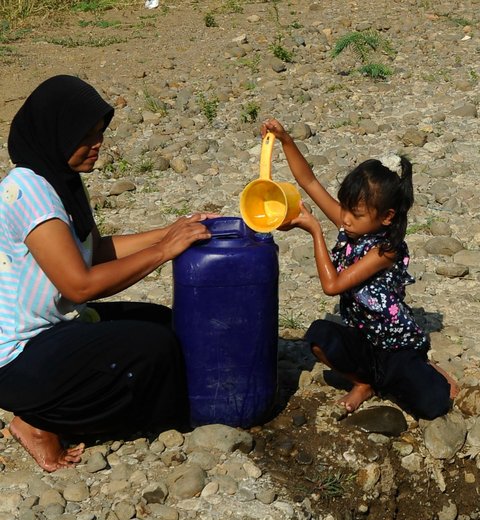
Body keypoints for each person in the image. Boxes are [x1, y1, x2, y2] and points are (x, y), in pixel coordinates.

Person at [0, 74, 215, 472]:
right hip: (18, 357)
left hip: (58, 329)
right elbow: (80, 285)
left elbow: (95, 251)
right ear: (57, 134)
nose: (97, 144)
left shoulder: (61, 179)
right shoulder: (27, 190)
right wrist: (164, 251)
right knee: (154, 349)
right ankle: (37, 419)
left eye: (99, 134)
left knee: (169, 325)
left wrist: (171, 231)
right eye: (86, 137)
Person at [261, 118, 458, 419]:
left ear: (387, 216)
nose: (347, 220)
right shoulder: (349, 223)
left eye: (357, 214)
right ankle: (364, 382)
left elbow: (332, 286)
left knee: (435, 405)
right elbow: (309, 182)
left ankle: (420, 368)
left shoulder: (385, 250)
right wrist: (285, 139)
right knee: (319, 336)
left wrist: (315, 231)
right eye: (346, 209)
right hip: (364, 340)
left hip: (395, 346)